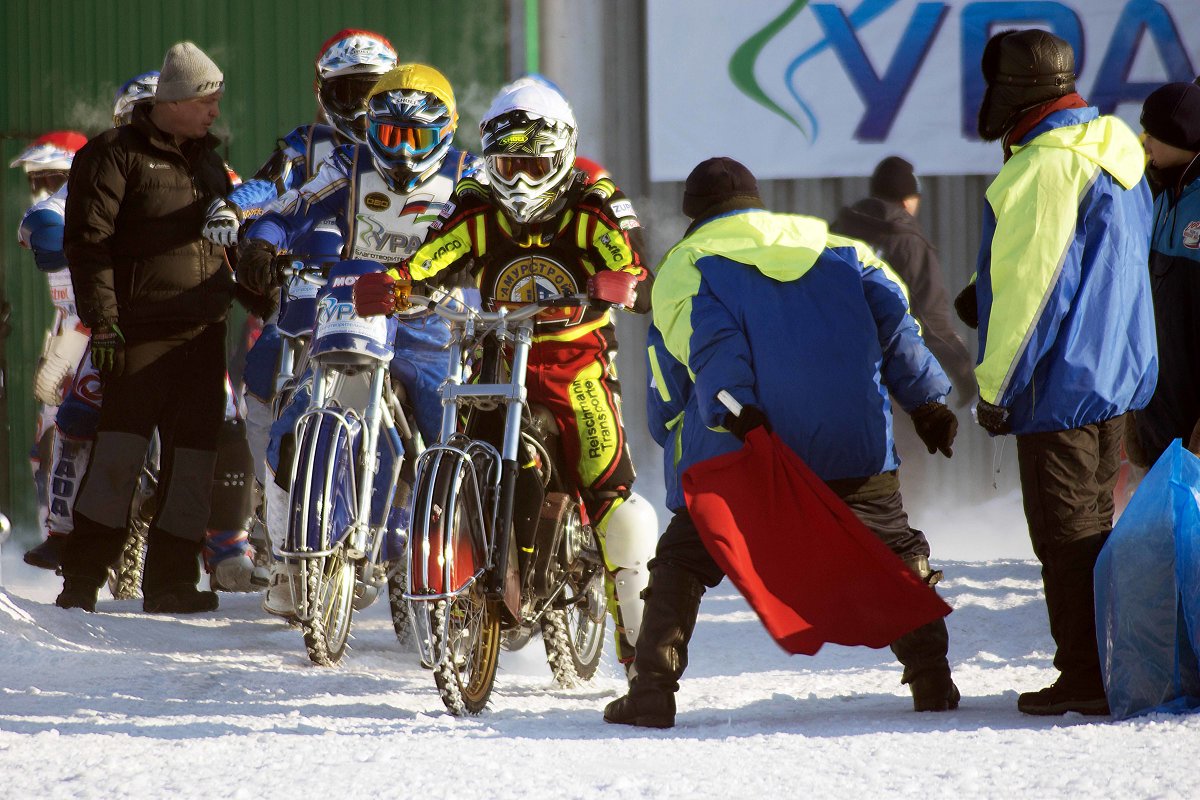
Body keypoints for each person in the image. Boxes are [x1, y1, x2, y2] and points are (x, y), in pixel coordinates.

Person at [603, 156, 960, 728]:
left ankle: (652, 690)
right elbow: (896, 325)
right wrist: (928, 404)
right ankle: (933, 680)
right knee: (890, 546)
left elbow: (693, 361)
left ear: (694, 213)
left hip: (748, 448)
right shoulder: (840, 247)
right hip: (854, 444)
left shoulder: (687, 262)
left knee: (683, 557)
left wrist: (728, 415)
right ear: (755, 202)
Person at [349, 76, 659, 669]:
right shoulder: (474, 197)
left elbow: (633, 262)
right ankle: (458, 578)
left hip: (576, 360)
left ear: (563, 155)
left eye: (532, 163)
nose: (518, 179)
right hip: (493, 352)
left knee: (612, 495)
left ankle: (644, 654)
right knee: (457, 449)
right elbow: (432, 257)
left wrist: (628, 282)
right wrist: (396, 285)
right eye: (506, 163)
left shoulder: (594, 196)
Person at [236, 62, 477, 617]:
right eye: (390, 133)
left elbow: (501, 232)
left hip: (432, 318)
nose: (402, 150)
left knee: (452, 438)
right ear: (371, 128)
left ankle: (468, 577)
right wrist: (262, 243)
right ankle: (288, 561)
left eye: (416, 136)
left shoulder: (470, 176)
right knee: (293, 418)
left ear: (444, 131)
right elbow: (291, 205)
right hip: (356, 302)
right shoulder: (350, 164)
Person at [968, 29, 1157, 715]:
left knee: (1066, 538)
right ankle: (1108, 665)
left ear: (1016, 92)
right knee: (1097, 534)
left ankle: (1086, 678)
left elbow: (1035, 290)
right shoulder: (1111, 148)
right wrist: (979, 283)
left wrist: (995, 390)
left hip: (1062, 388)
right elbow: (1085, 257)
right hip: (1114, 377)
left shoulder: (1044, 166)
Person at [56, 42, 255, 614]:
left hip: (202, 334)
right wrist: (105, 324)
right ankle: (83, 578)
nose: (216, 111)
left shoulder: (211, 162)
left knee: (194, 464)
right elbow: (88, 244)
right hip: (137, 335)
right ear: (177, 99)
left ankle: (169, 584)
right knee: (119, 458)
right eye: (208, 100)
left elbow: (227, 244)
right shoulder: (112, 155)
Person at [203, 28, 397, 509]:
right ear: (324, 91)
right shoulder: (305, 146)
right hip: (309, 288)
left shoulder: (409, 146)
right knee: (265, 363)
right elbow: (265, 187)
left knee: (419, 380)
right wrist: (232, 208)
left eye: (373, 90)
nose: (360, 104)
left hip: (389, 292)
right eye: (348, 90)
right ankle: (274, 494)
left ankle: (415, 502)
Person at [831, 156, 977, 405]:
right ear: (908, 200)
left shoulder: (837, 230)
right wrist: (963, 371)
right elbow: (932, 322)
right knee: (902, 443)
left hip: (836, 370)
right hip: (891, 376)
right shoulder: (909, 241)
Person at [1131, 82, 1200, 467]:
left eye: (1155, 133)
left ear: (1185, 136)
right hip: (1160, 419)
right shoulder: (1152, 195)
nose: (1145, 141)